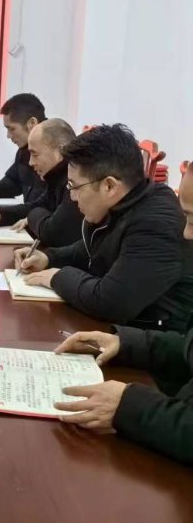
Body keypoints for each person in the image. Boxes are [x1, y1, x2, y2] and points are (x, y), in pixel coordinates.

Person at [52, 163, 193, 466]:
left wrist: (127, 405)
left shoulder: (155, 220)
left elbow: (110, 300)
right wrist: (126, 343)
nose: (186, 234)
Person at [16, 124, 193, 329]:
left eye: (74, 186)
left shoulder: (157, 224)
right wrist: (49, 258)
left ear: (109, 186)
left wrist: (57, 277)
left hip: (156, 338)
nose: (72, 197)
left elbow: (111, 302)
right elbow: (95, 248)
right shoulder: (126, 201)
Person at [0, 119, 82, 247]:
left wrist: (31, 217)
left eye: (35, 154)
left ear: (60, 151)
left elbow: (54, 232)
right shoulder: (56, 177)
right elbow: (38, 206)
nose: (30, 163)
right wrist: (1, 215)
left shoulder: (76, 180)